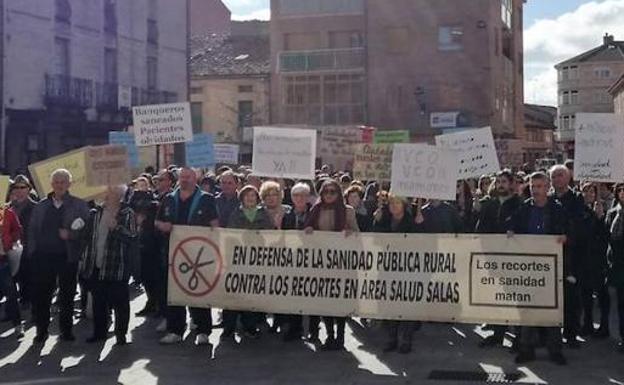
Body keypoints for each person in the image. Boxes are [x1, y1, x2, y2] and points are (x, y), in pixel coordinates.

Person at [156, 167, 219, 345]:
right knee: (174, 293)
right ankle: (175, 330)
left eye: (188, 177)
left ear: (195, 179)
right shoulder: (168, 198)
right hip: (172, 254)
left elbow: (215, 225)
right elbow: (157, 221)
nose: (184, 180)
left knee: (198, 292)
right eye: (182, 177)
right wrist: (163, 226)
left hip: (198, 255)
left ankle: (203, 330)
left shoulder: (206, 199)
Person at [510, 172, 567, 365]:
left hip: (551, 269)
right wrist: (510, 231)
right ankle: (526, 349)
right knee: (527, 309)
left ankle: (555, 350)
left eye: (540, 186)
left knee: (551, 310)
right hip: (528, 269)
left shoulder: (558, 209)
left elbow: (570, 230)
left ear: (548, 187)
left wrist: (565, 237)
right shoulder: (524, 208)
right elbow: (513, 226)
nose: (536, 190)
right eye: (533, 186)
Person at [28, 169, 90, 343]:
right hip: (43, 257)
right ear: (51, 184)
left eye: (63, 182)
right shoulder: (41, 206)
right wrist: (32, 253)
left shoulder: (79, 205)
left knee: (67, 296)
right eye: (56, 182)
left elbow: (87, 231)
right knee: (42, 296)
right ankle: (41, 330)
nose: (59, 185)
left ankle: (66, 330)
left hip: (67, 257)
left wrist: (71, 235)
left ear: (69, 184)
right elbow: (32, 230)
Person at [304, 179, 359, 350]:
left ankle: (340, 337)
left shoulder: (348, 211)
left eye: (332, 192)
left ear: (338, 194)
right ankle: (329, 335)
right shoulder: (315, 210)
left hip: (341, 264)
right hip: (321, 264)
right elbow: (307, 232)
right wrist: (309, 230)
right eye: (325, 191)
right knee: (325, 302)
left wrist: (351, 233)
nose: (328, 195)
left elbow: (358, 233)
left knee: (340, 303)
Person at [80, 185, 137, 345]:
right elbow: (88, 237)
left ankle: (121, 334)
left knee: (120, 303)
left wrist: (116, 228)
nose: (108, 196)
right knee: (99, 302)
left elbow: (132, 237)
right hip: (96, 265)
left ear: (119, 195)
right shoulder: (96, 213)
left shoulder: (127, 213)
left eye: (112, 193)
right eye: (106, 193)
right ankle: (99, 333)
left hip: (116, 266)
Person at [475, 170, 523, 348]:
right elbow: (480, 229)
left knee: (515, 298)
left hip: (513, 259)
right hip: (493, 258)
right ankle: (498, 334)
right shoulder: (489, 205)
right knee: (497, 297)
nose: (501, 184)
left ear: (511, 184)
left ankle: (519, 337)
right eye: (499, 181)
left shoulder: (520, 204)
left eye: (504, 181)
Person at [223, 185, 275, 341]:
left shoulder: (263, 213)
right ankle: (229, 328)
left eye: (253, 195)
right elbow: (229, 234)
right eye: (247, 196)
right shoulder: (235, 213)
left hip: (256, 261)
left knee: (250, 296)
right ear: (242, 198)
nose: (250, 198)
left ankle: (250, 327)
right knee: (233, 296)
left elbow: (270, 232)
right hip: (237, 260)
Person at [373, 193, 418, 354]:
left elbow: (421, 243)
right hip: (387, 267)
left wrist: (420, 225)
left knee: (407, 305)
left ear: (404, 205)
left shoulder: (413, 220)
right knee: (389, 303)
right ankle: (392, 338)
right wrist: (376, 221)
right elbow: (376, 239)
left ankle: (406, 339)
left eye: (397, 203)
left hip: (408, 268)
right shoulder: (384, 218)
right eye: (391, 203)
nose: (393, 206)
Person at [550, 164, 584, 348]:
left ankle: (571, 334)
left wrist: (569, 237)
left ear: (568, 177)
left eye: (560, 175)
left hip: (570, 255)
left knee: (571, 297)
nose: (557, 179)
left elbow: (580, 224)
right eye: (554, 176)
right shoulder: (548, 199)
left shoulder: (577, 198)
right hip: (550, 256)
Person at [281, 182, 312, 342]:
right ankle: (294, 327)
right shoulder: (287, 214)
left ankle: (312, 329)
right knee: (292, 293)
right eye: (296, 195)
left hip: (310, 261)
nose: (299, 198)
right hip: (291, 260)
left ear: (308, 197)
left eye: (303, 195)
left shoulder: (314, 213)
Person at [8, 175, 36, 306]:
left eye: (22, 187)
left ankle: (26, 300)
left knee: (26, 276)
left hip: (28, 247)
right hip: (10, 247)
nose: (19, 190)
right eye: (16, 187)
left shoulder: (36, 207)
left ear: (29, 189)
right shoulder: (6, 207)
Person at [0, 201, 24, 338]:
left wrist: (11, 240)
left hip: (2, 260)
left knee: (11, 293)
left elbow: (17, 229)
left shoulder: (7, 212)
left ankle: (18, 325)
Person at [606, 183, 624, 352]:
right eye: (621, 190)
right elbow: (606, 237)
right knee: (621, 304)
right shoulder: (612, 214)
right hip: (618, 265)